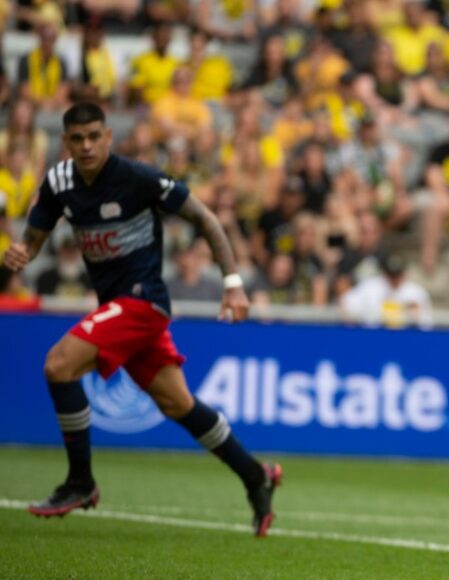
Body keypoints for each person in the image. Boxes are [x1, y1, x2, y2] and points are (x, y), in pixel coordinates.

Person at [0, 103, 281, 535]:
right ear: (66, 142)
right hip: (116, 307)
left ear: (109, 136)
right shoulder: (59, 183)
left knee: (59, 365)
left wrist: (233, 282)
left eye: (95, 136)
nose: (87, 145)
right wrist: (21, 253)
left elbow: (205, 218)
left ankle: (80, 482)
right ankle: (254, 475)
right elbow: (32, 241)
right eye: (78, 138)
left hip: (143, 302)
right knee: (178, 404)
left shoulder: (137, 178)